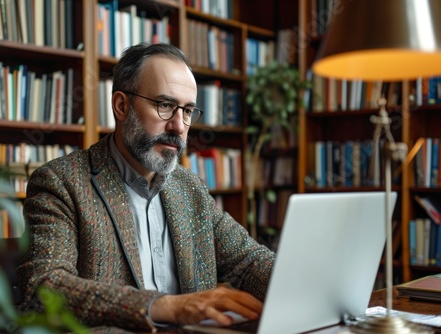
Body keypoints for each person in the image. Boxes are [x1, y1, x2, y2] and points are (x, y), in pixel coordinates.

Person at [17, 42, 275, 332]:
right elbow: (46, 288)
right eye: (165, 105)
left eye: (188, 111)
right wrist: (168, 307)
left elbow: (248, 261)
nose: (179, 126)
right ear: (121, 106)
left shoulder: (189, 187)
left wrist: (305, 282)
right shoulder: (61, 183)